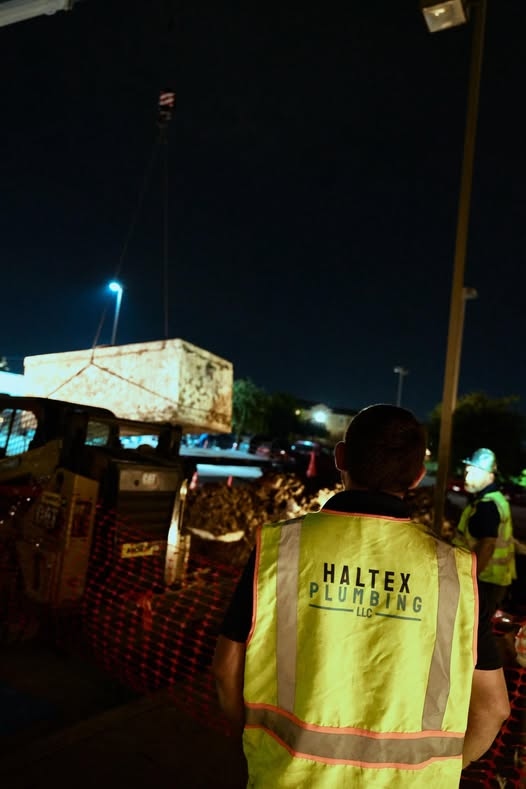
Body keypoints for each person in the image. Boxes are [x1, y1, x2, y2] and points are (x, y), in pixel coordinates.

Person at [213, 404, 510, 788]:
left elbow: (225, 669)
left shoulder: (279, 549)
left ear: (340, 458)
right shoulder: (455, 572)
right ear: (418, 476)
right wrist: (446, 769)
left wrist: (257, 742)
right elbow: (494, 708)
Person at [453, 448, 516, 613]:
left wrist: (469, 579)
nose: (467, 477)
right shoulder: (494, 499)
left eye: (473, 473)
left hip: (483, 581)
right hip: (492, 580)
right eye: (467, 472)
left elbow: (487, 545)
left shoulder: (486, 505)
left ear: (489, 476)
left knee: (477, 633)